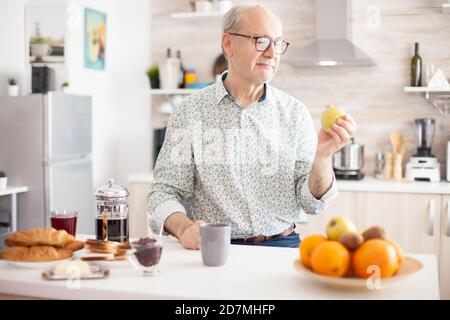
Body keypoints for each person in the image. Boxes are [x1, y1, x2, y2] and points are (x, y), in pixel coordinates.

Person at [148, 5, 357, 249]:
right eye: (261, 41)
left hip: (283, 243)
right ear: (229, 44)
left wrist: (321, 158)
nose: (271, 53)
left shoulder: (295, 113)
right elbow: (163, 193)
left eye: (278, 44)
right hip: (216, 246)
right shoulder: (189, 112)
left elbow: (312, 204)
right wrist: (184, 229)